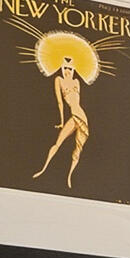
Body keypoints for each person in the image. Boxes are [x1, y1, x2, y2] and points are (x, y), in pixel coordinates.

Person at [33, 57, 91, 188]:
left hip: (81, 116)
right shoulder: (58, 80)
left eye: (70, 69)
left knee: (77, 149)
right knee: (58, 143)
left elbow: (76, 102)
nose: (67, 71)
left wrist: (63, 122)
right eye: (65, 68)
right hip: (75, 115)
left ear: (74, 70)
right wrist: (62, 121)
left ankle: (69, 176)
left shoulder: (77, 82)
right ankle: (44, 169)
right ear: (61, 68)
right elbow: (60, 103)